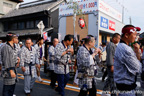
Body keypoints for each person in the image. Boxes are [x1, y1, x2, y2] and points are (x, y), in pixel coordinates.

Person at [114, 25, 142, 96]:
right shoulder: (126, 49)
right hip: (127, 89)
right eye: (134, 35)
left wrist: (137, 52)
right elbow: (138, 69)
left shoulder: (122, 46)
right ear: (126, 35)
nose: (136, 37)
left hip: (124, 88)